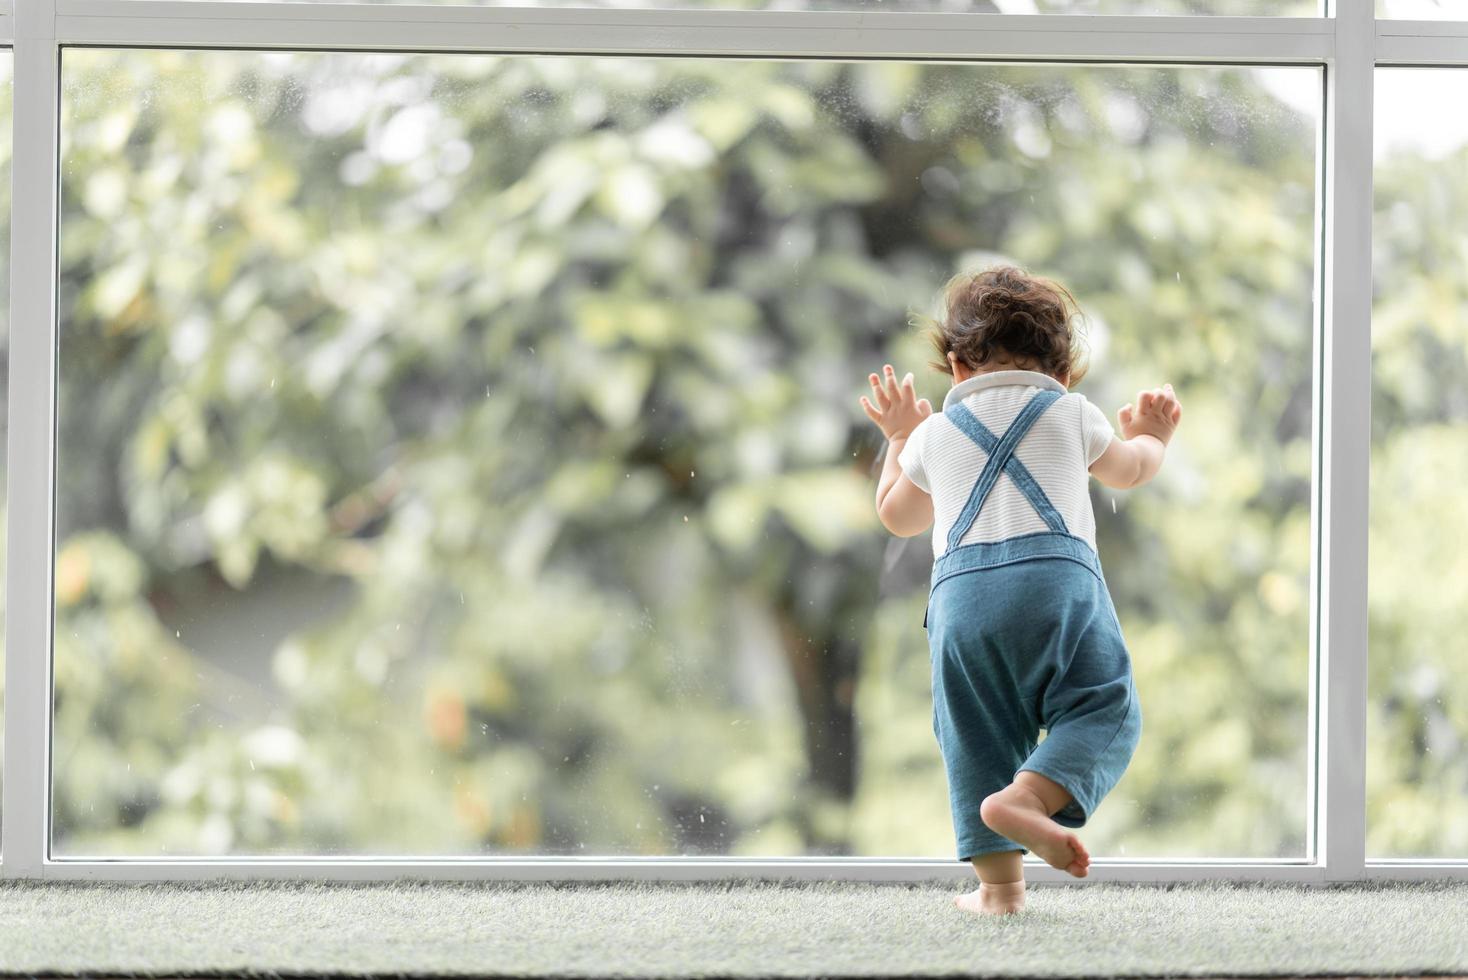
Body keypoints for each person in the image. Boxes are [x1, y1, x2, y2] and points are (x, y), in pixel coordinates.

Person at [859, 265, 1182, 916]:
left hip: (962, 606)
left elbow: (899, 516)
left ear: (956, 368)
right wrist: (1152, 436)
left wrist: (897, 438)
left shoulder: (931, 434)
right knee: (1102, 706)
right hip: (1056, 587)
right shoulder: (1071, 412)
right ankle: (1028, 799)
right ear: (1062, 370)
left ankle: (999, 892)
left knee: (975, 736)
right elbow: (1129, 470)